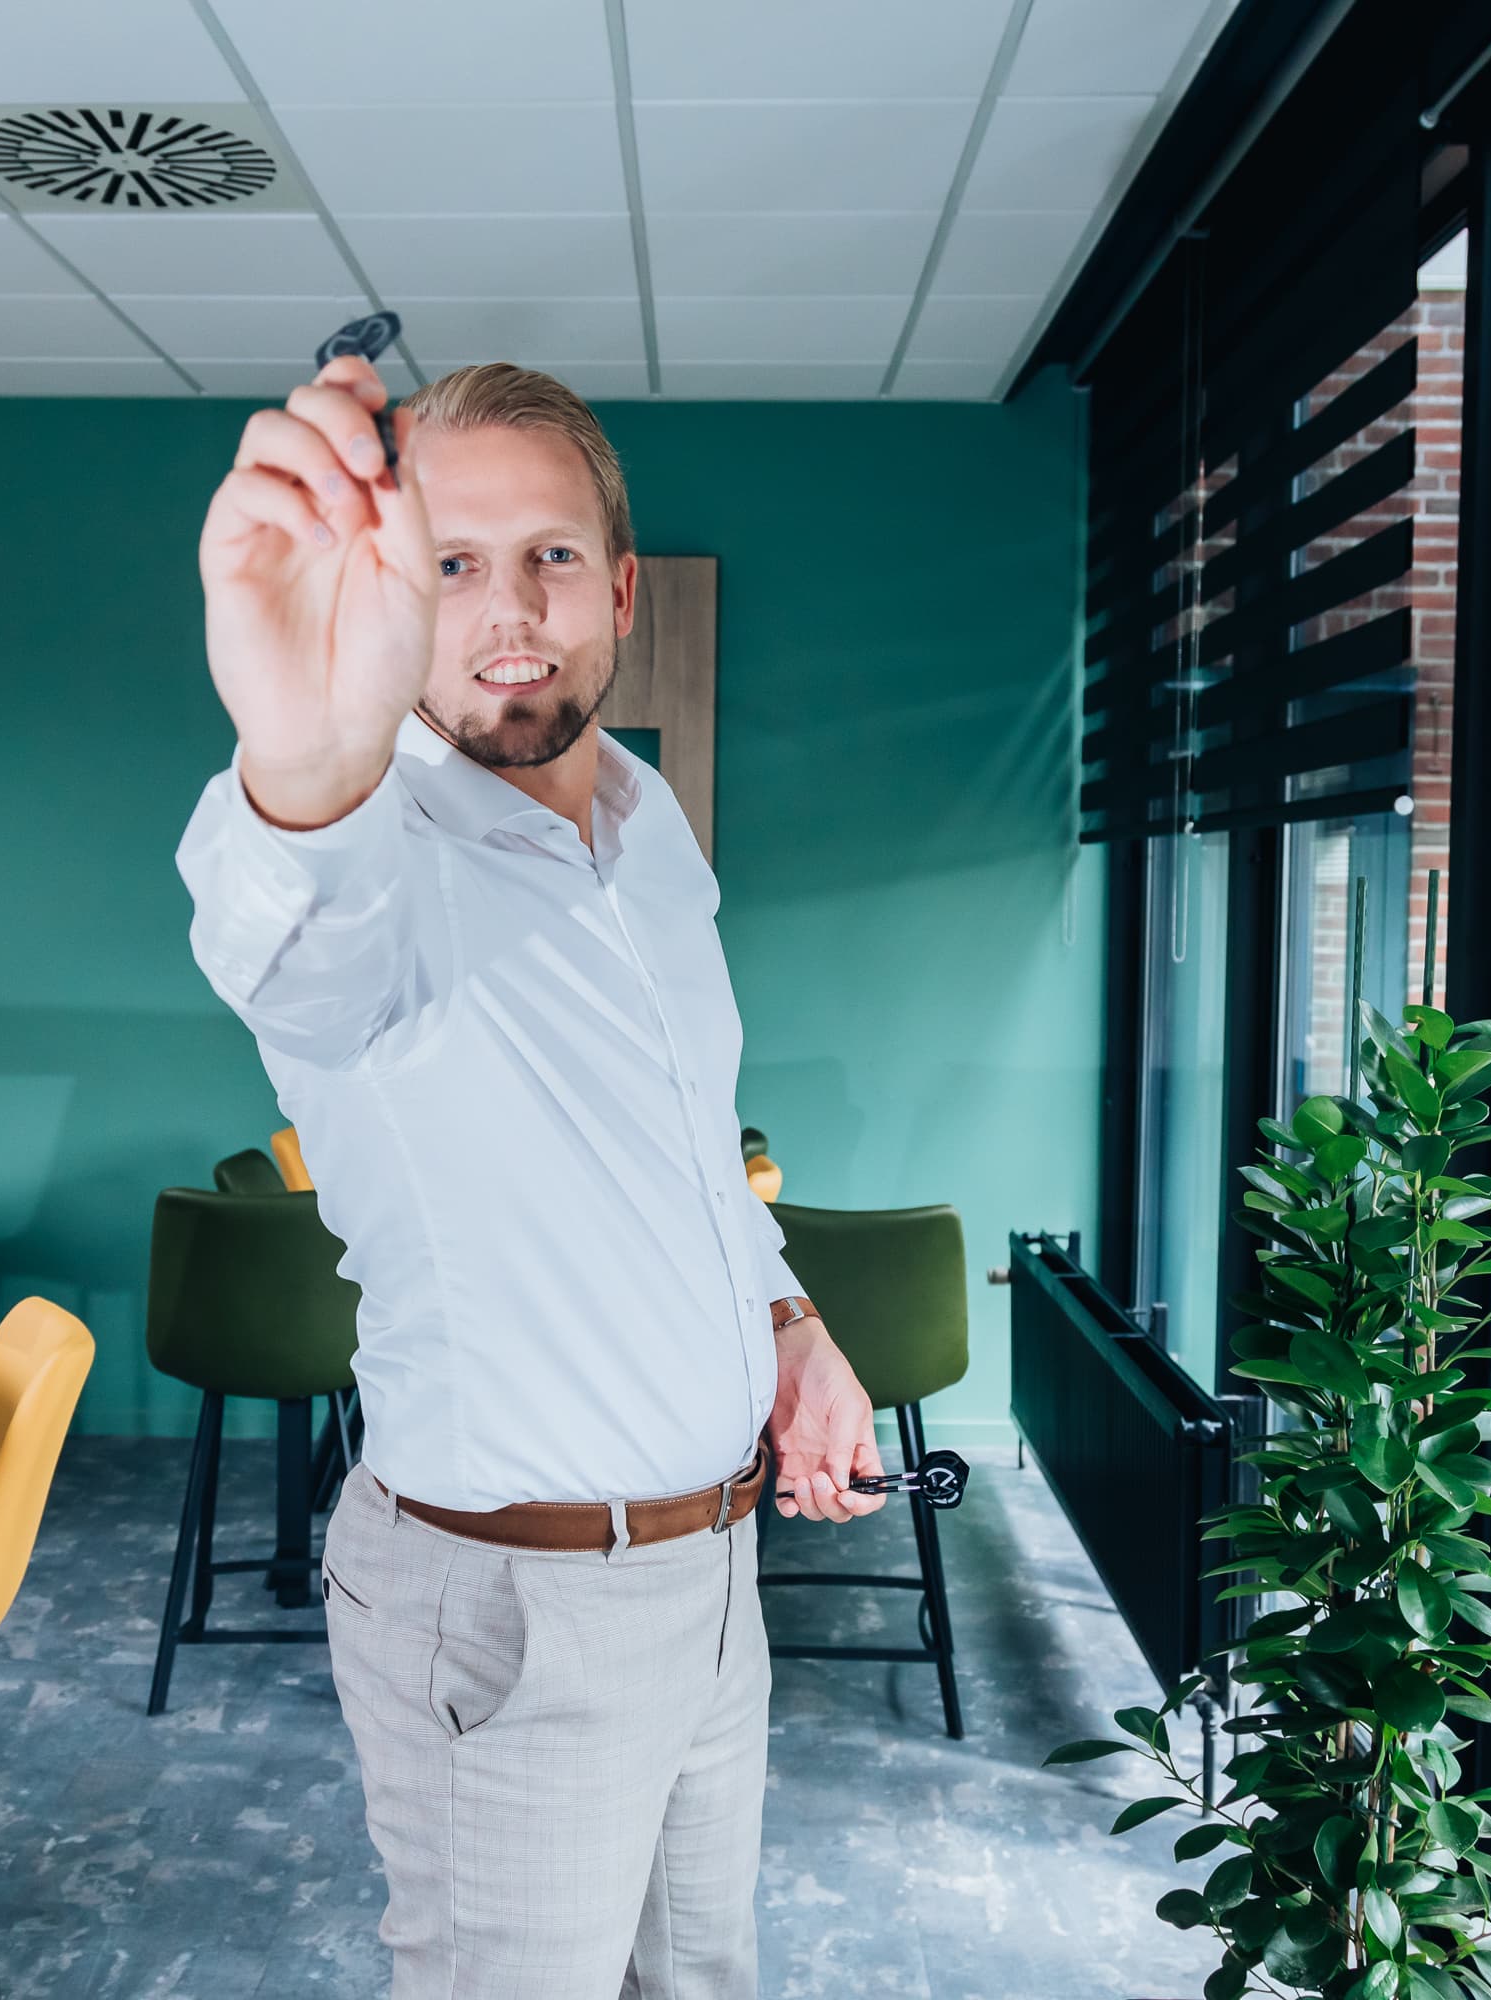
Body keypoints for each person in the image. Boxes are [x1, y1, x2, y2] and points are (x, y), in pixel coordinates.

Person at [175, 353, 887, 1999]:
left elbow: (691, 1148)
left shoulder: (649, 827)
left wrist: (790, 1328)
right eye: (451, 563)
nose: (508, 610)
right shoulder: (374, 854)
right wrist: (302, 754)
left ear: (618, 590)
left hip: (715, 1575)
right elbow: (290, 944)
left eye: (549, 556)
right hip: (515, 1604)